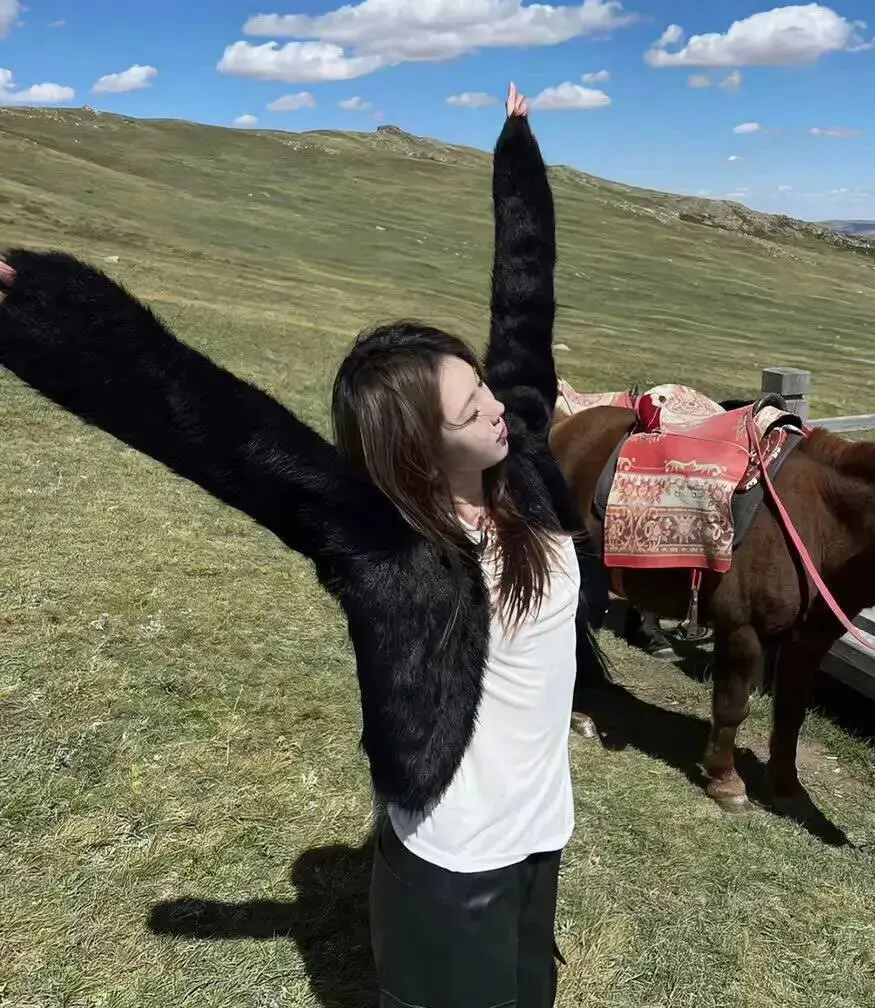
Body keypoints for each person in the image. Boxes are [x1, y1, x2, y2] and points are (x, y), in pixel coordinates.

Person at [0, 81, 607, 1007]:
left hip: (541, 834)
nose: (495, 404)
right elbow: (206, 420)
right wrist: (43, 311)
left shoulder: (519, 463)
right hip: (454, 861)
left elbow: (524, 310)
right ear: (418, 445)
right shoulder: (379, 543)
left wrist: (517, 156)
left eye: (482, 385)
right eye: (468, 405)